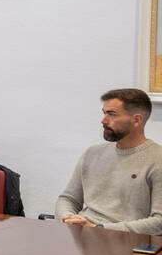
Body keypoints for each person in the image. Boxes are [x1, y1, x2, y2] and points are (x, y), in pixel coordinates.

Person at [55, 88, 162, 233]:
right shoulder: (92, 153)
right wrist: (68, 218)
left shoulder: (157, 160)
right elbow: (68, 199)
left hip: (125, 243)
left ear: (136, 120)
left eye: (112, 114)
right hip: (83, 237)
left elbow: (158, 222)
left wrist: (99, 229)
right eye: (104, 113)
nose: (103, 121)